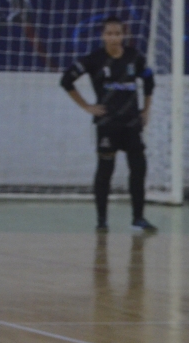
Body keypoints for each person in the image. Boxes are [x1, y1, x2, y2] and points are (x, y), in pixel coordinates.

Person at [60, 17, 158, 234]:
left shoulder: (134, 57)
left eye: (118, 33)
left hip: (131, 124)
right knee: (105, 171)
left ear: (124, 35)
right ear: (103, 36)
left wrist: (146, 110)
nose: (114, 38)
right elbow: (66, 81)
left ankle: (138, 218)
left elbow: (149, 81)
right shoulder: (94, 59)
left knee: (138, 169)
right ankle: (102, 220)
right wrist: (86, 106)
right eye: (110, 34)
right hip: (107, 124)